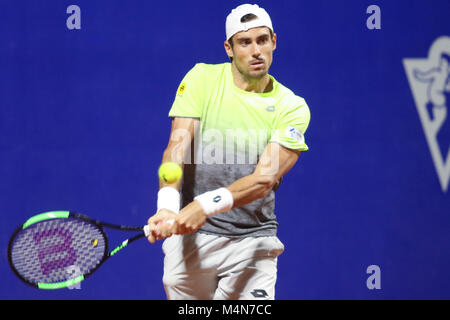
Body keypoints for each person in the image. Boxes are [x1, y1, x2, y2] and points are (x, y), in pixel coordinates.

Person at [147, 3, 311, 300]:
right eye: (245, 42)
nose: (256, 51)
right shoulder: (201, 79)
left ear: (274, 41)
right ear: (229, 48)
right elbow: (176, 147)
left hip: (252, 244)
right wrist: (167, 205)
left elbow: (264, 178)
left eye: (262, 40)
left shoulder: (292, 107)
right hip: (191, 243)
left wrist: (204, 205)